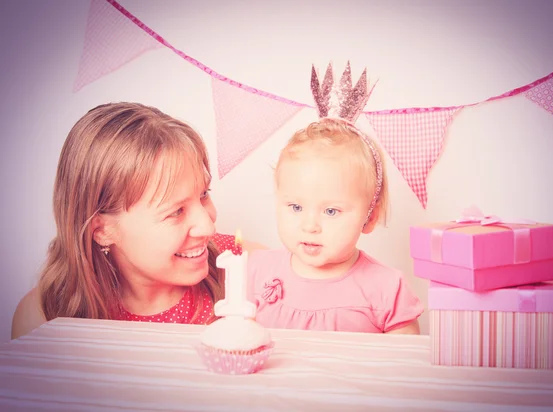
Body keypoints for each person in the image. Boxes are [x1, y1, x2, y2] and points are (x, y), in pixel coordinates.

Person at [11, 102, 261, 339]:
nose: (208, 226)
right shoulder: (43, 318)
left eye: (204, 194)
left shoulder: (255, 272)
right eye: (176, 211)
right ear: (102, 230)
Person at [247, 117, 423, 334]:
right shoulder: (256, 271)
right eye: (295, 207)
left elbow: (405, 362)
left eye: (331, 211)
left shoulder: (387, 288)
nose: (310, 226)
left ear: (369, 218)